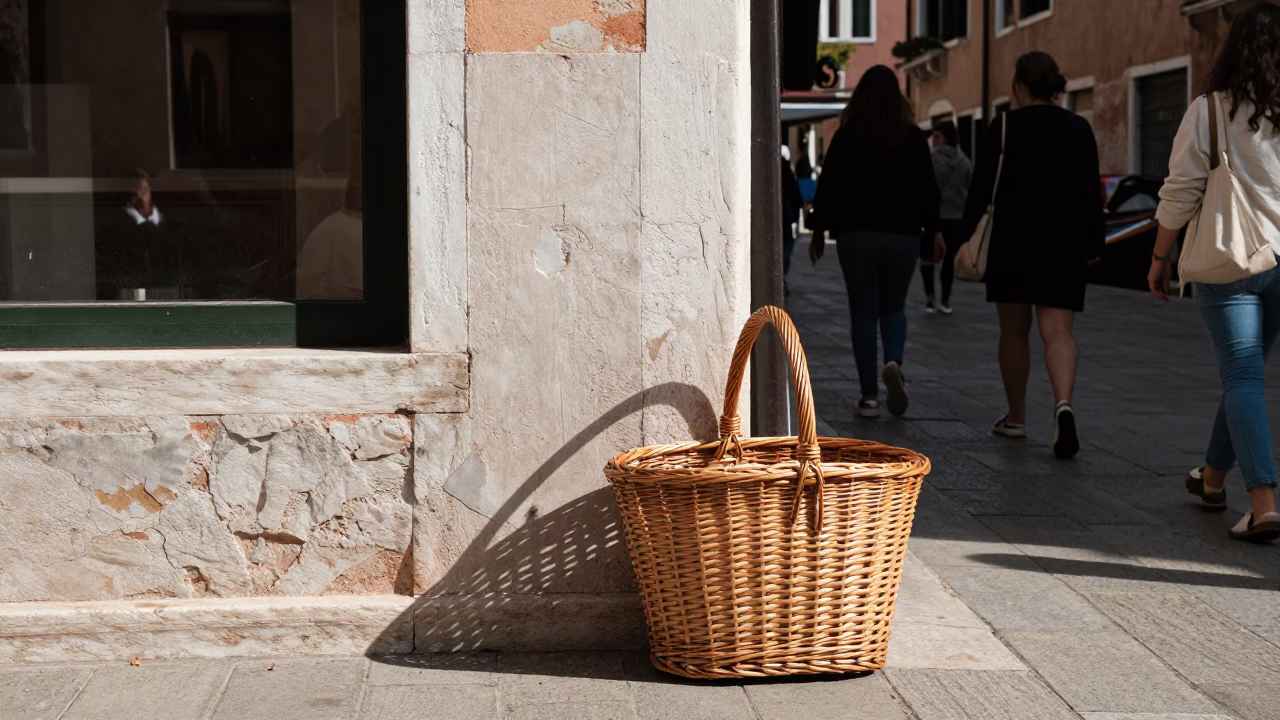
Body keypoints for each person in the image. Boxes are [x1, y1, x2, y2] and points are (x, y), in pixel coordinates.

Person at [1148, 4, 1280, 541]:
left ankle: (1265, 501)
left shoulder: (1209, 110)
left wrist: (1160, 257)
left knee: (1243, 378)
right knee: (1244, 378)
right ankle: (1212, 477)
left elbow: (1180, 193)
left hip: (1228, 263)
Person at [963, 52, 1103, 458]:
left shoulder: (1004, 126)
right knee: (1058, 332)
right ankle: (1063, 405)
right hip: (1065, 242)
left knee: (1013, 330)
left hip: (1012, 241)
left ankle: (1017, 417)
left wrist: (963, 236)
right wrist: (1095, 244)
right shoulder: (1079, 129)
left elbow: (980, 189)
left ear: (1021, 86)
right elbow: (1091, 193)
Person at [809, 65, 943, 419]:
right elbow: (928, 190)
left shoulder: (847, 135)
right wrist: (937, 231)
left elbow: (830, 186)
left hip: (856, 236)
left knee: (864, 314)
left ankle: (869, 397)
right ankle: (894, 362)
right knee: (894, 308)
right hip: (903, 236)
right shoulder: (914, 138)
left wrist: (819, 230)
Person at [920, 121, 971, 315]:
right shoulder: (964, 161)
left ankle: (930, 297)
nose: (934, 141)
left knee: (926, 258)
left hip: (932, 217)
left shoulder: (929, 160)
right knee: (949, 259)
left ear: (946, 138)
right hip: (956, 216)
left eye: (937, 137)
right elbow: (971, 186)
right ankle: (945, 300)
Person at [781, 145, 803, 284]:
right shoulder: (788, 174)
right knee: (787, 244)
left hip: (784, 217)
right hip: (786, 218)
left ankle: (781, 277)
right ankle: (782, 275)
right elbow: (797, 197)